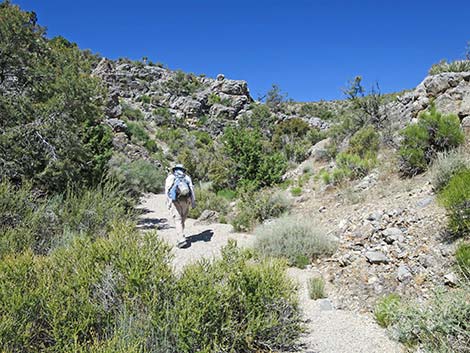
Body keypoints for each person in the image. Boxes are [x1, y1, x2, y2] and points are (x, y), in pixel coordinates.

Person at [165, 164, 196, 248]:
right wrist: (193, 202)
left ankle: (181, 239)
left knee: (177, 219)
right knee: (182, 218)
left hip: (176, 201)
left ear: (175, 169)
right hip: (186, 200)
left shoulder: (171, 177)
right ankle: (181, 235)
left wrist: (168, 202)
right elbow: (192, 190)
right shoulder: (187, 177)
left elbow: (167, 190)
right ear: (183, 170)